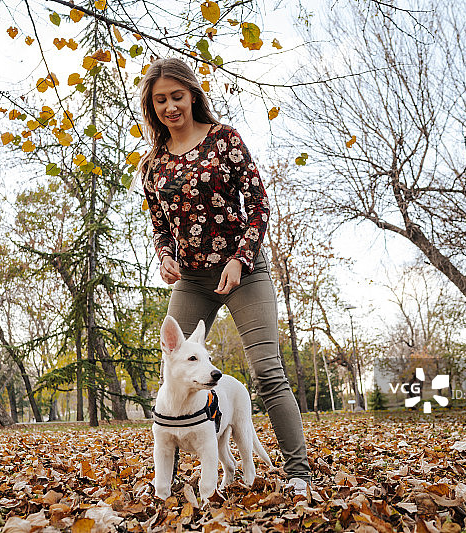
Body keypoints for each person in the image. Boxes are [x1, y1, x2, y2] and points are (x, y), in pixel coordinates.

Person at [137, 57, 312, 495]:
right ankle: (167, 483)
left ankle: (298, 475)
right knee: (174, 367)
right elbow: (159, 223)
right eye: (161, 100)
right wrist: (164, 256)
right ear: (152, 105)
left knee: (268, 371)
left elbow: (258, 204)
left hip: (243, 267)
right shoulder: (153, 163)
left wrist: (240, 258)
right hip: (192, 279)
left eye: (178, 96)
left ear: (193, 94)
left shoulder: (223, 139)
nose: (171, 107)